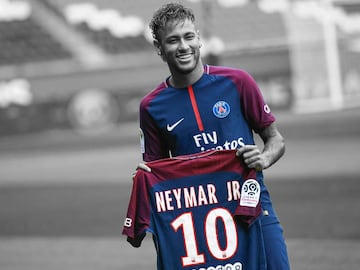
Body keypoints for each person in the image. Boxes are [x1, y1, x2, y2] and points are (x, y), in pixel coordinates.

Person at [137, 2, 290, 269]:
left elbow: (275, 139)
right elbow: (157, 171)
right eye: (173, 41)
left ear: (199, 39)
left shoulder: (238, 82)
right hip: (199, 222)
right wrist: (144, 175)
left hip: (253, 208)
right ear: (160, 49)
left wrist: (263, 159)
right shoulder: (151, 106)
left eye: (189, 36)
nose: (183, 46)